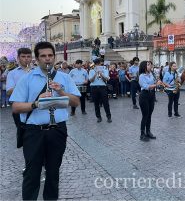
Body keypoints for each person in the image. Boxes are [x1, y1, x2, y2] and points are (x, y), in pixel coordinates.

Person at [10, 41, 80, 200]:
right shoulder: (27, 79)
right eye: (43, 56)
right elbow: (15, 107)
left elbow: (76, 102)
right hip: (34, 132)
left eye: (50, 55)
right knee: (32, 173)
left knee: (53, 172)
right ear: (37, 58)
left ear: (54, 57)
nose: (47, 59)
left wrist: (61, 91)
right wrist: (36, 103)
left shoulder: (64, 77)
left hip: (58, 131)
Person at [6, 47, 33, 127]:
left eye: (28, 56)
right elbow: (9, 91)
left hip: (35, 106)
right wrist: (24, 84)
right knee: (22, 134)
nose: (26, 59)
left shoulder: (37, 71)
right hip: (19, 107)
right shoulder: (12, 73)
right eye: (23, 56)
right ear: (18, 58)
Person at [138, 61, 160, 141]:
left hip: (151, 95)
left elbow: (154, 83)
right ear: (144, 66)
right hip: (144, 95)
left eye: (150, 65)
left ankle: (148, 131)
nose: (150, 66)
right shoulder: (141, 76)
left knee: (149, 115)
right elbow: (146, 86)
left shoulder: (151, 74)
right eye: (148, 65)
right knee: (145, 115)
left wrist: (157, 82)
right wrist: (156, 85)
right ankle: (142, 134)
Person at [89, 58, 112, 123]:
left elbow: (107, 79)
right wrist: (95, 73)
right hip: (94, 87)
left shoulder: (105, 69)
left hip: (102, 87)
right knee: (96, 103)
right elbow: (91, 80)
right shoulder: (91, 70)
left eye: (98, 64)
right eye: (95, 64)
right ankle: (98, 117)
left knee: (105, 103)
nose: (97, 65)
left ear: (100, 63)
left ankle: (108, 117)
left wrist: (101, 74)